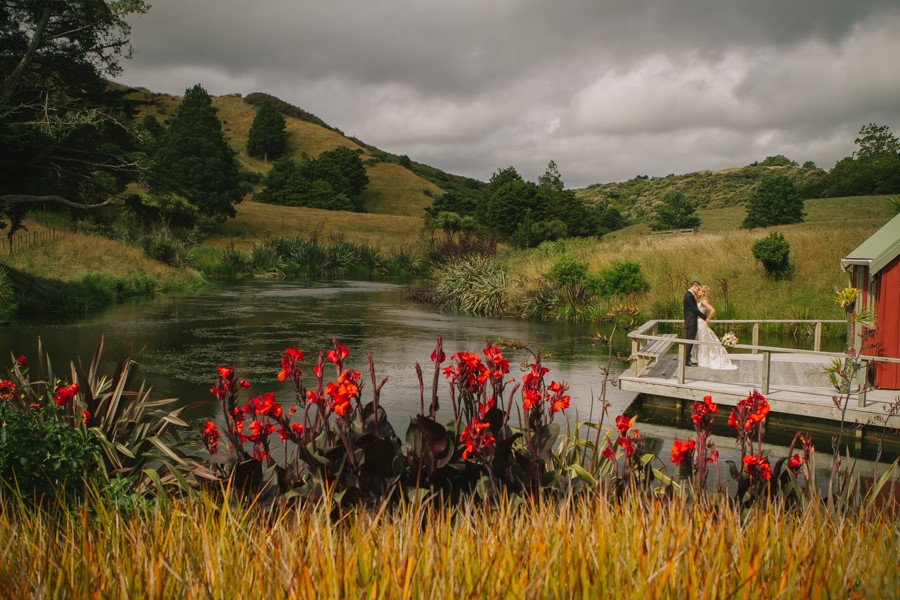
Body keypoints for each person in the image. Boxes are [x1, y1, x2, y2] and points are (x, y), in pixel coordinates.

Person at [695, 285, 738, 370]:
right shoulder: (702, 301)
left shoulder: (704, 301)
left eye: (699, 290)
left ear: (703, 292)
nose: (698, 291)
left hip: (701, 323)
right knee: (703, 341)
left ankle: (706, 360)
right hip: (699, 322)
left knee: (704, 341)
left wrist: (708, 319)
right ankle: (704, 359)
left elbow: (713, 310)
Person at [682, 281, 705, 367]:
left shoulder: (689, 295)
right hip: (691, 321)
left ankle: (687, 358)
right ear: (695, 286)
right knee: (689, 341)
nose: (698, 290)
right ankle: (686, 361)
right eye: (698, 288)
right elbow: (694, 310)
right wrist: (705, 317)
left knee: (690, 340)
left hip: (690, 320)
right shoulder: (689, 296)